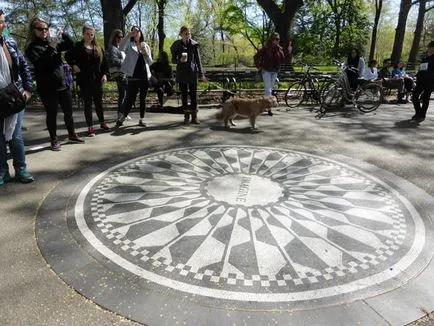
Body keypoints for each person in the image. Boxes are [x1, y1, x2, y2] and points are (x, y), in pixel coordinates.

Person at [25, 17, 84, 151]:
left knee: (68, 112)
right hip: (47, 87)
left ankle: (72, 134)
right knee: (52, 114)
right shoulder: (32, 47)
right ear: (33, 30)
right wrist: (51, 47)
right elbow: (41, 64)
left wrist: (62, 33)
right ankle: (54, 139)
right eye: (40, 29)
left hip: (63, 84)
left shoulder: (53, 41)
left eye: (46, 28)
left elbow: (71, 44)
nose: (44, 31)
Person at [0, 9, 34, 185]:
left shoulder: (10, 43)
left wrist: (28, 89)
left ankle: (21, 168)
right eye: (1, 22)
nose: (4, 25)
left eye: (4, 21)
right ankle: (2, 171)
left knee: (15, 135)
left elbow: (24, 67)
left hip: (14, 95)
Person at [67, 24, 109, 137]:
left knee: (99, 103)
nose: (90, 36)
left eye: (92, 34)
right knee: (88, 104)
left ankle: (102, 122)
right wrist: (73, 65)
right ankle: (90, 126)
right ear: (83, 34)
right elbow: (67, 56)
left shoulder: (98, 48)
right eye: (87, 34)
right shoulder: (77, 46)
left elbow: (105, 63)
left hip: (97, 80)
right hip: (84, 80)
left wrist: (105, 74)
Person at [116, 25, 152, 127]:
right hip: (132, 75)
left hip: (144, 76)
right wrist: (128, 35)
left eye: (137, 31)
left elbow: (150, 62)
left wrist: (146, 53)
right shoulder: (129, 44)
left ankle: (141, 119)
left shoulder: (145, 45)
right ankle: (122, 117)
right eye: (133, 31)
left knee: (142, 98)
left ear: (140, 33)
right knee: (130, 98)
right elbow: (121, 48)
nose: (135, 33)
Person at [170, 26, 206, 124]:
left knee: (194, 95)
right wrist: (179, 60)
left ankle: (194, 117)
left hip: (192, 72)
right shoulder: (177, 45)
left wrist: (202, 73)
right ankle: (186, 117)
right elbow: (172, 60)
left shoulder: (194, 44)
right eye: (185, 34)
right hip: (181, 73)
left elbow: (198, 60)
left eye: (189, 33)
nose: (188, 35)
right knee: (184, 95)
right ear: (181, 35)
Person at [255, 33, 286, 116]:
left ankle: (263, 106)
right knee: (268, 90)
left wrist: (287, 51)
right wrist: (258, 66)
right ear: (271, 40)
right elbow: (256, 56)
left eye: (278, 39)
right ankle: (269, 108)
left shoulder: (279, 49)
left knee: (269, 90)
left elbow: (283, 60)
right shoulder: (266, 48)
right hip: (266, 70)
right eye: (276, 39)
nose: (277, 41)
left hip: (275, 71)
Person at [411, 41, 434, 122]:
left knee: (425, 97)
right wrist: (417, 77)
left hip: (431, 82)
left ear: (432, 48)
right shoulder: (424, 58)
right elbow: (421, 69)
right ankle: (418, 112)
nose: (428, 48)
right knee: (414, 95)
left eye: (429, 47)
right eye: (428, 47)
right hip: (421, 81)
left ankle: (422, 115)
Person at [107, 29, 127, 119]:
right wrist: (125, 62)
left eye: (122, 37)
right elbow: (114, 61)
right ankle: (124, 112)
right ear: (114, 38)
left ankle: (120, 113)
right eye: (118, 37)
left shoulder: (119, 48)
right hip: (117, 73)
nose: (120, 39)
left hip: (122, 73)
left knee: (123, 93)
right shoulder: (112, 48)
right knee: (128, 90)